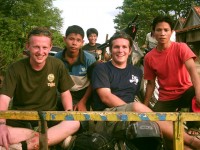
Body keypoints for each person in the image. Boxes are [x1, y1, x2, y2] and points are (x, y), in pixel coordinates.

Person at [91, 31, 200, 149]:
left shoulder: (136, 72)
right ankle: (192, 140)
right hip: (107, 117)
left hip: (131, 117)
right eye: (116, 47)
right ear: (110, 50)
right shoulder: (101, 68)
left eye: (124, 47)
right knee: (140, 109)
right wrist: (139, 113)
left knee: (172, 138)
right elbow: (106, 97)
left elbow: (143, 94)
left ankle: (188, 146)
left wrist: (145, 112)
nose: (120, 50)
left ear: (130, 50)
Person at [0, 27, 80, 150]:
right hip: (20, 119)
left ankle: (24, 146)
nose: (40, 52)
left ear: (50, 47)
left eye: (44, 47)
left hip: (49, 118)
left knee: (74, 122)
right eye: (36, 47)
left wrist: (69, 112)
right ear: (28, 46)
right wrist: (1, 124)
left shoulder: (57, 65)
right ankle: (50, 139)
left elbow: (65, 93)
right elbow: (4, 98)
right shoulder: (15, 68)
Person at [143, 15, 200, 136]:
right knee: (155, 124)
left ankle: (194, 125)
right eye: (158, 30)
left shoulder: (181, 48)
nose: (162, 33)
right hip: (166, 97)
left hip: (186, 92)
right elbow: (150, 83)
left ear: (171, 32)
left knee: (196, 91)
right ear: (153, 33)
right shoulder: (149, 57)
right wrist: (145, 105)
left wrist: (199, 93)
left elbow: (193, 71)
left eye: (166, 30)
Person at [55, 25, 96, 111]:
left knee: (80, 122)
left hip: (82, 94)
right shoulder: (56, 58)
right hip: (62, 92)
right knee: (56, 118)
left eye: (78, 40)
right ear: (64, 39)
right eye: (71, 39)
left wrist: (83, 102)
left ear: (82, 42)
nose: (74, 43)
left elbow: (93, 82)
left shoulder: (89, 59)